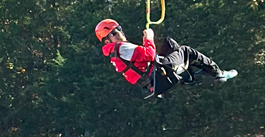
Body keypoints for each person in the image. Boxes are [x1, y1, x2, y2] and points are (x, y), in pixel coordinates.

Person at [94, 19, 236, 99]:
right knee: (186, 51)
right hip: (158, 74)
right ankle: (218, 73)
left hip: (154, 77)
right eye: (114, 32)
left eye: (119, 29)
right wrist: (149, 38)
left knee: (169, 44)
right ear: (107, 40)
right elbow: (149, 54)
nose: (120, 33)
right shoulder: (121, 48)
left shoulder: (115, 53)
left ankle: (189, 76)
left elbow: (143, 59)